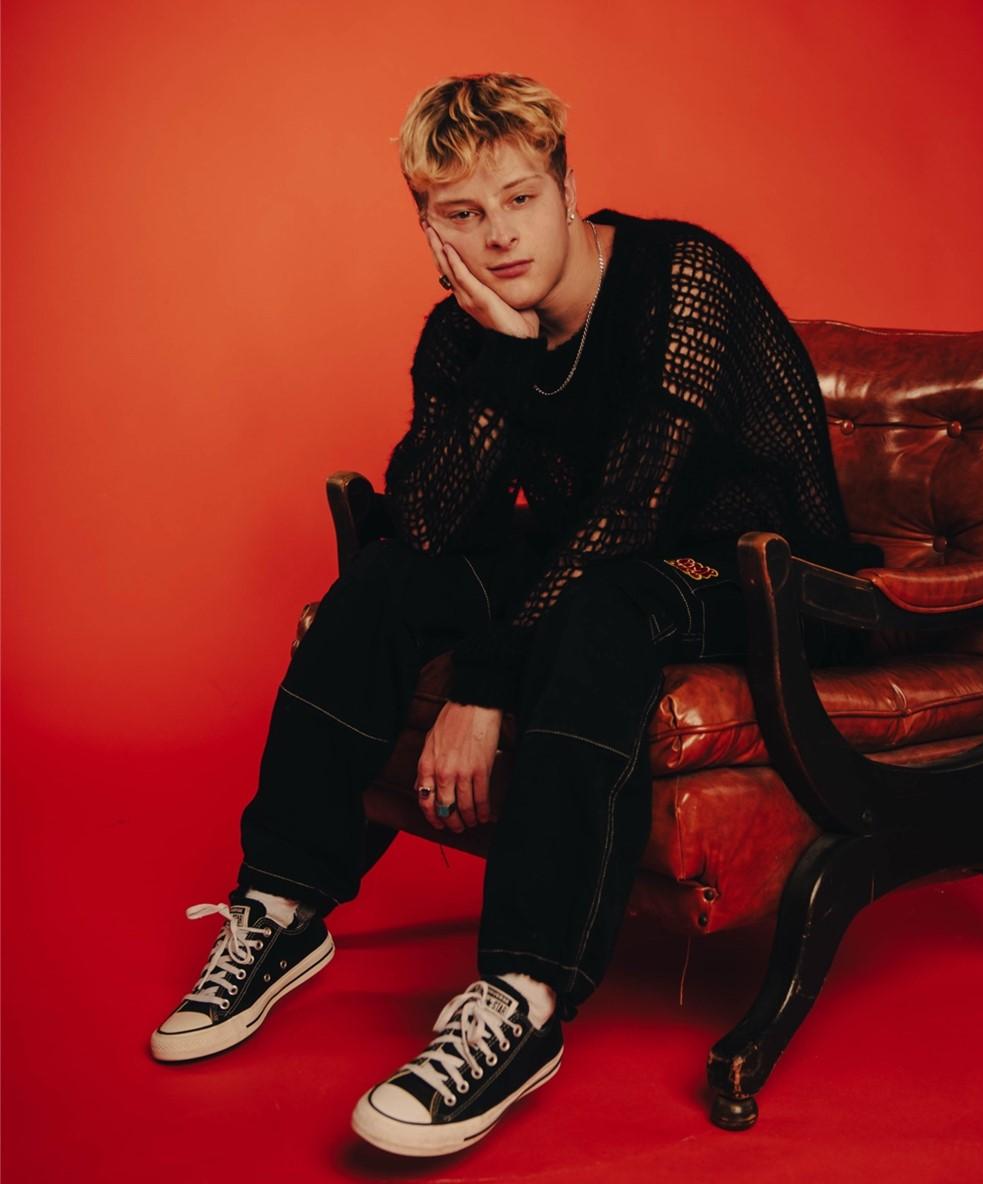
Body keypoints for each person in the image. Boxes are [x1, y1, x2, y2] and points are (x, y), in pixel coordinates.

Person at [149, 72, 882, 1158]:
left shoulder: (682, 281)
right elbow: (431, 524)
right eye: (463, 214)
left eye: (520, 199)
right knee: (390, 581)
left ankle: (523, 997)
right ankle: (281, 905)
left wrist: (486, 686)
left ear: (569, 185)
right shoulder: (463, 333)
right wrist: (496, 349)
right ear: (428, 227)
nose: (498, 236)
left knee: (599, 607)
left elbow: (632, 512)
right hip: (592, 564)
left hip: (764, 576)